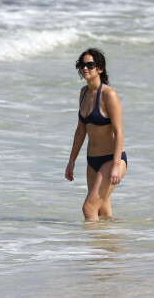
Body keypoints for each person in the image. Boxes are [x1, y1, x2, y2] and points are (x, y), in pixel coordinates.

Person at [65, 48, 127, 221]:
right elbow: (80, 130)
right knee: (102, 212)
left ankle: (93, 246)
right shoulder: (83, 93)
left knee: (88, 208)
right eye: (82, 65)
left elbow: (119, 132)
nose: (85, 68)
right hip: (92, 161)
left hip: (111, 159)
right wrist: (71, 161)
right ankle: (108, 245)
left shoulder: (109, 94)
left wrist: (116, 165)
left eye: (90, 64)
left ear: (100, 68)